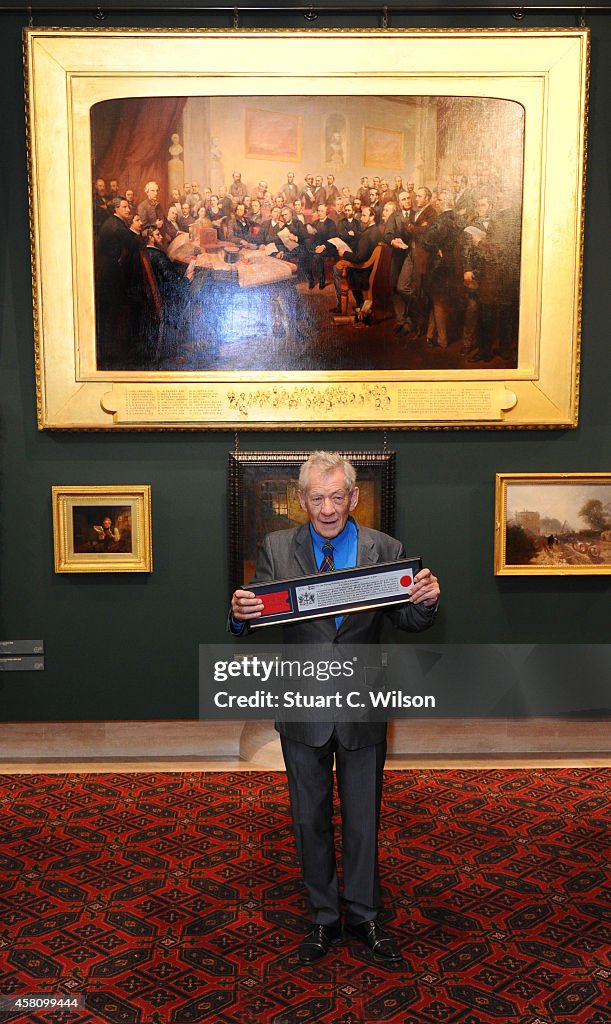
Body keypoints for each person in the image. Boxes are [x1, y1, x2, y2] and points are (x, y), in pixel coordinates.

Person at [230, 452, 440, 965]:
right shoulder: (277, 547)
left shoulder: (384, 549)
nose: (327, 508)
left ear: (354, 497)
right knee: (310, 819)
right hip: (303, 705)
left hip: (362, 704)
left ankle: (365, 916)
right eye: (317, 497)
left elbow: (410, 622)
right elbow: (257, 612)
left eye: (337, 496)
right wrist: (239, 615)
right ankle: (324, 920)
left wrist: (426, 602)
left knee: (364, 819)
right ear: (302, 500)